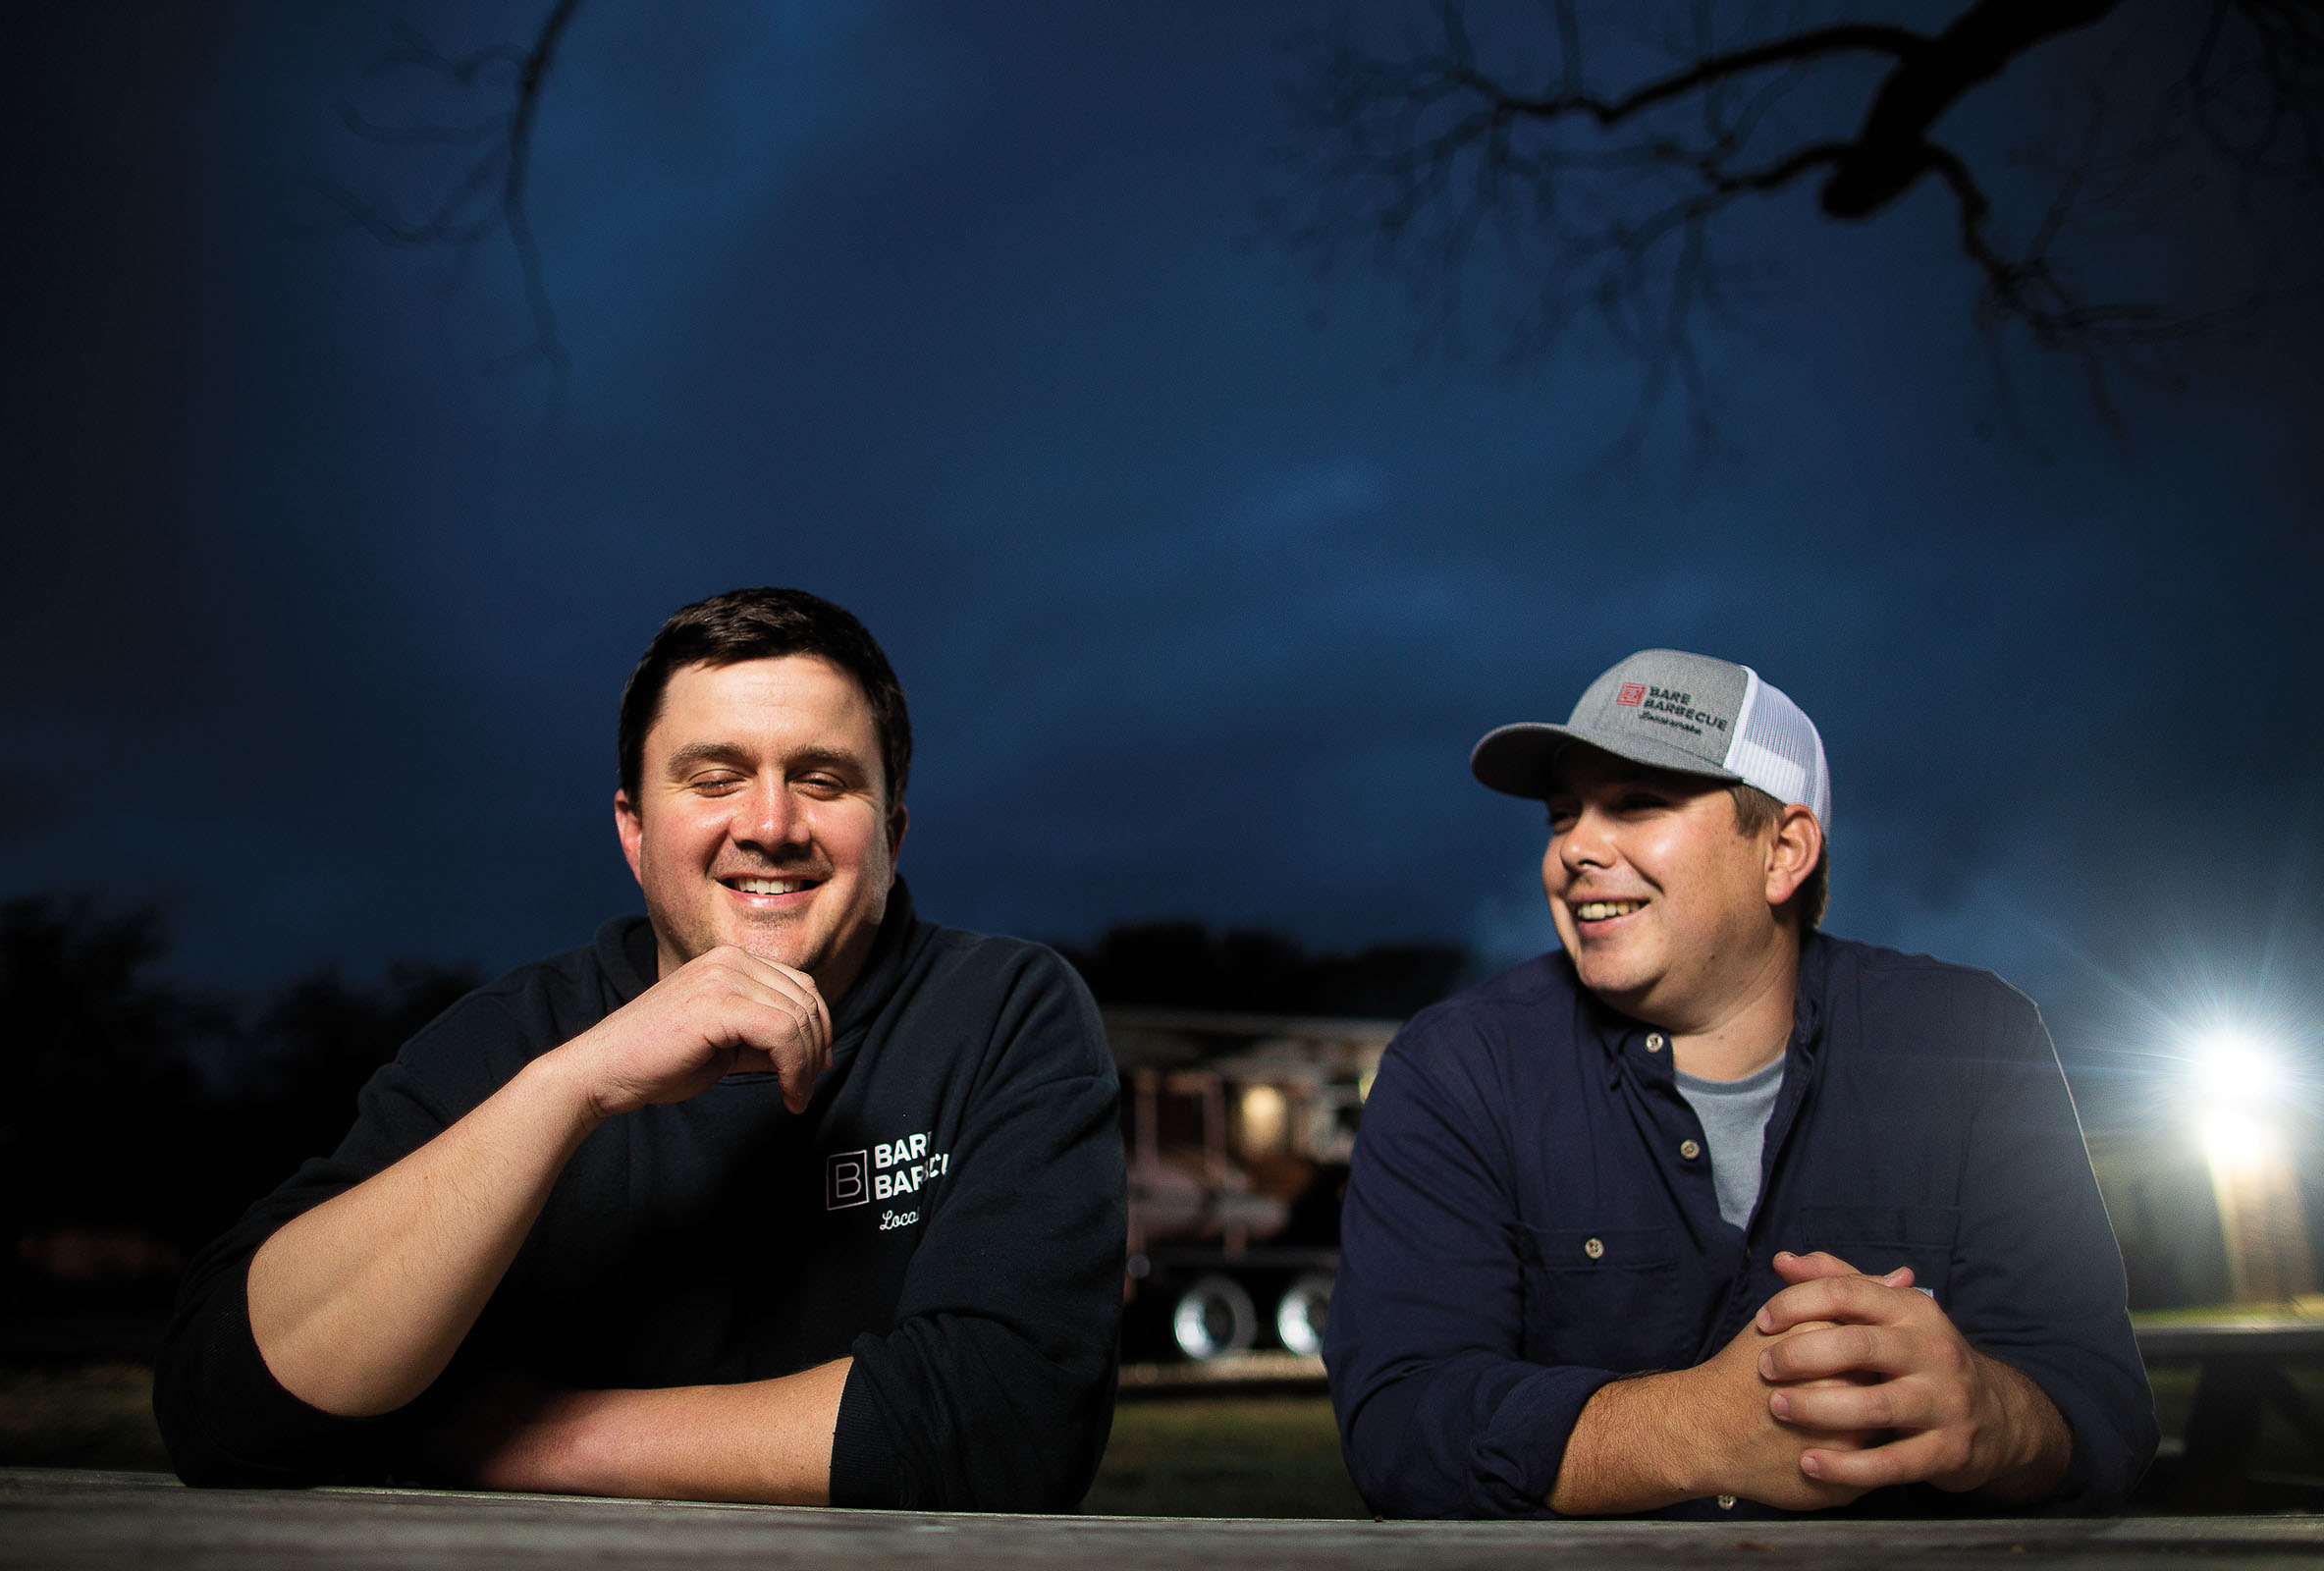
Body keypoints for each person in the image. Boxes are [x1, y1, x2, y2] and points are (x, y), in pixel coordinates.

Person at [155, 587, 1127, 1511]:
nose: (771, 823)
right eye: (714, 778)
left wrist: (524, 1438)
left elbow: (1008, 1427)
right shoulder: (514, 1040)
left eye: (822, 779)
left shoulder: (1005, 1010)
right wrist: (572, 1087)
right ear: (633, 828)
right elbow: (225, 1408)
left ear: (893, 834)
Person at [1323, 648, 2156, 1519]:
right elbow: (1399, 1423)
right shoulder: (1457, 1069)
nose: (1574, 847)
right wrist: (1690, 1431)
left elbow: (2099, 1402)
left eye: (1637, 803)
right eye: (1562, 815)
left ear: (1784, 851)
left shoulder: (1974, 1040)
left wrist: (1992, 1417)